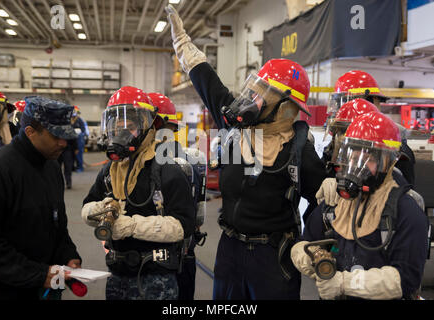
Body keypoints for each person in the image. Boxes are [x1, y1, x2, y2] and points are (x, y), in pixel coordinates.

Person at [166, 5, 326, 300]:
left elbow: (325, 202)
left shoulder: (299, 150)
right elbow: (206, 81)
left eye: (262, 94)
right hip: (229, 249)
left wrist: (309, 243)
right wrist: (182, 43)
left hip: (274, 256)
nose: (252, 100)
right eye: (254, 90)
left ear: (286, 107)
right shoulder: (236, 126)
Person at [291, 111, 429, 300]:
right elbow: (302, 244)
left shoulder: (406, 212)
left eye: (368, 160)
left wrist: (343, 283)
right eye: (352, 158)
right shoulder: (335, 204)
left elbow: (404, 280)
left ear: (388, 162)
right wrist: (316, 260)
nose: (356, 167)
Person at [81, 86, 195, 300]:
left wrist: (132, 226)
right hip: (117, 275)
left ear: (147, 127)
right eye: (117, 126)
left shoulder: (167, 169)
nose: (122, 132)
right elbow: (86, 207)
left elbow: (183, 226)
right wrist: (100, 209)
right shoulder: (109, 171)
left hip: (156, 279)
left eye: (130, 126)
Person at [0, 96, 82, 300]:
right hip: (3, 291)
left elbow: (58, 227)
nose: (63, 143)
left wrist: (69, 255)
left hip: (46, 287)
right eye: (56, 136)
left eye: (66, 136)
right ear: (30, 132)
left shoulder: (52, 168)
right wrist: (38, 274)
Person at [149, 92, 206, 300]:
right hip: (185, 253)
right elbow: (199, 217)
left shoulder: (142, 164)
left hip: (149, 260)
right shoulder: (193, 160)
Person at [327, 70, 415, 185]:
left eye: (341, 102)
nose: (340, 109)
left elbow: (401, 191)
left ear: (366, 101)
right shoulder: (340, 140)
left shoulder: (395, 149)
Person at [71, 106, 89, 172]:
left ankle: (80, 167)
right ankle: (73, 167)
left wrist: (78, 132)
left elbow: (83, 130)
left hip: (79, 139)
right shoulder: (70, 120)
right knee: (72, 155)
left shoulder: (80, 120)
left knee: (78, 154)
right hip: (72, 140)